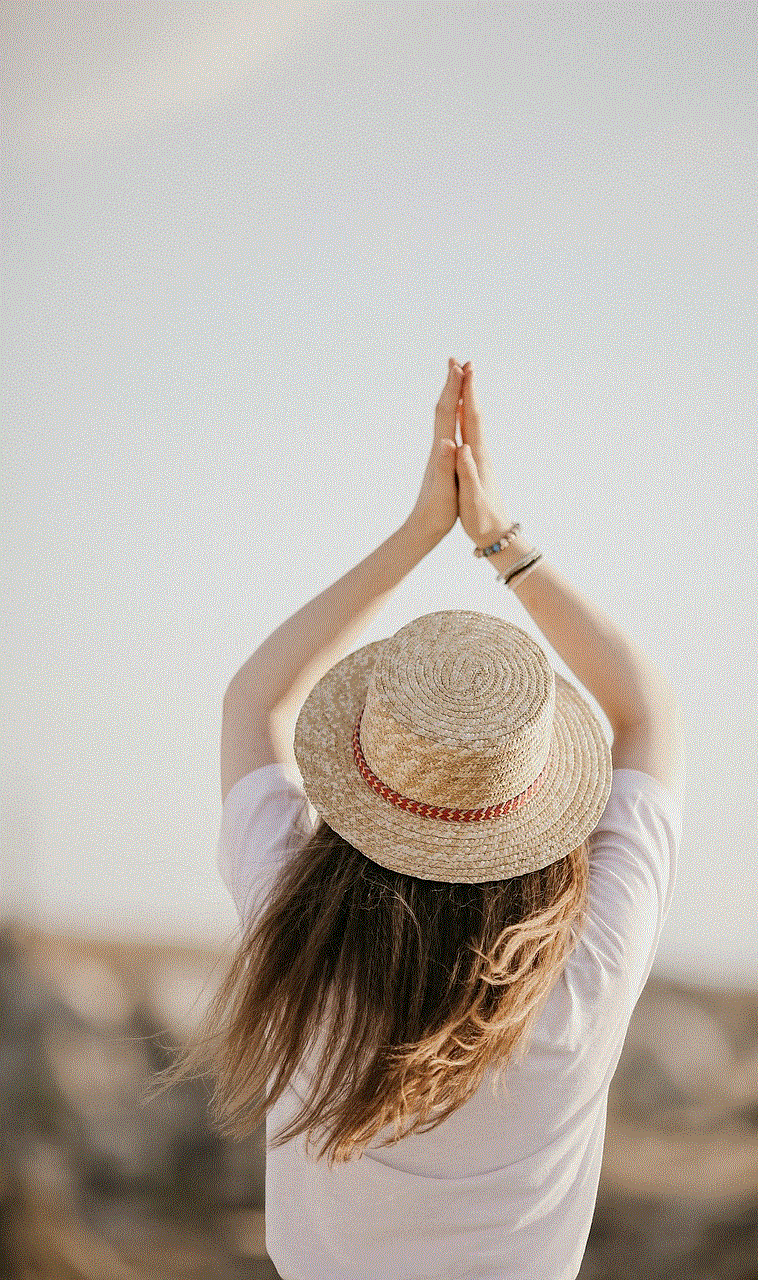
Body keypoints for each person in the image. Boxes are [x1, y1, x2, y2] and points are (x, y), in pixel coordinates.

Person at [148, 359, 685, 1280]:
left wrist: (418, 532)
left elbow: (254, 700)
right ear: (539, 811)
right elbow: (646, 713)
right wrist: (496, 536)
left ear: (367, 782)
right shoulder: (582, 975)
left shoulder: (298, 939)